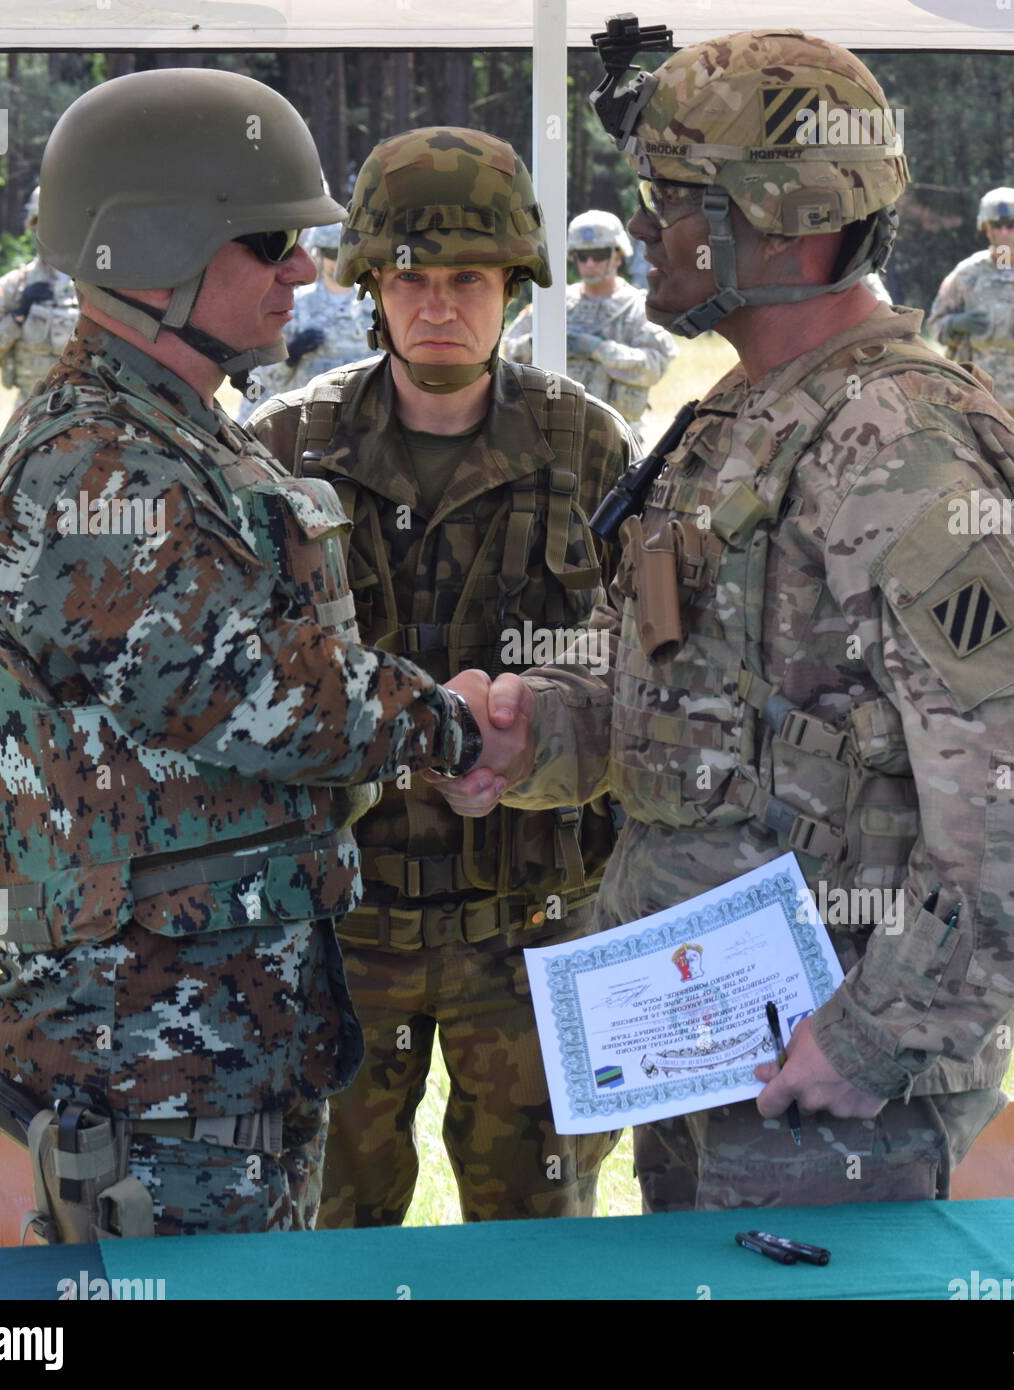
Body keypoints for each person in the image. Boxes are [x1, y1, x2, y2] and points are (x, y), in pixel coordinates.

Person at [435, 26, 1014, 1212]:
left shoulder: (901, 440)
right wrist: (528, 732)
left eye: (672, 198)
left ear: (784, 218)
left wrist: (877, 1036)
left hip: (824, 1081)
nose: (641, 228)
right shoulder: (740, 417)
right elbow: (665, 698)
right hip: (702, 1041)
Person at [0, 69, 518, 1242]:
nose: (304, 269)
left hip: (212, 1058)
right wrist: (449, 724)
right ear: (152, 250)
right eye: (270, 240)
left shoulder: (171, 430)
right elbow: (243, 686)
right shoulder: (93, 463)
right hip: (150, 1075)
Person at [248, 127, 633, 1226]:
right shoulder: (284, 448)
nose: (436, 304)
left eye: (468, 278)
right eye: (409, 276)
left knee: (537, 1244)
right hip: (338, 930)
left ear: (514, 286)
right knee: (332, 1233)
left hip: (533, 927)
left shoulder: (588, 449)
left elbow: (650, 656)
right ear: (368, 283)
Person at [503, 209, 676, 446]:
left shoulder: (637, 309)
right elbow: (510, 354)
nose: (590, 263)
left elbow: (655, 365)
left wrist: (600, 349)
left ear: (618, 255)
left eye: (599, 254)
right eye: (582, 256)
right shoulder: (552, 306)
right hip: (552, 437)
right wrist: (539, 342)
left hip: (618, 439)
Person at [928, 188, 1014, 461]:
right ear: (986, 229)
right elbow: (936, 326)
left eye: (1012, 224)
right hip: (976, 399)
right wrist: (959, 323)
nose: (1004, 232)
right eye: (997, 225)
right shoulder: (967, 274)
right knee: (979, 479)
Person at [237, 215, 374, 422]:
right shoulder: (294, 305)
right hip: (306, 421)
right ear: (317, 254)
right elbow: (261, 384)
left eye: (343, 253)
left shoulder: (372, 305)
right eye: (330, 253)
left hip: (360, 419)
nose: (337, 261)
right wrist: (290, 357)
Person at [0, 186, 81, 407]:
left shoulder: (96, 288)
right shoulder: (14, 287)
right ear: (34, 224)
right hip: (30, 414)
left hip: (86, 415)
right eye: (45, 222)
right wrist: (17, 316)